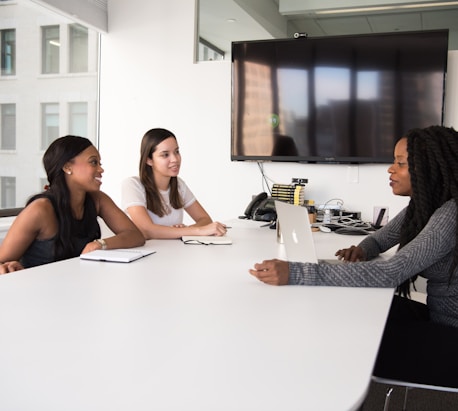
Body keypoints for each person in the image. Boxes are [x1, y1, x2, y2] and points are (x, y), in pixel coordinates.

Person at [249, 125, 458, 388]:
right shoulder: (425, 206)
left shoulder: (450, 214)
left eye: (400, 163)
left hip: (451, 335)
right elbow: (381, 238)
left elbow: (390, 272)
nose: (390, 169)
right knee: (356, 309)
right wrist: (363, 249)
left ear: (429, 169)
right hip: (438, 319)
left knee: (348, 338)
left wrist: (296, 272)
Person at [0, 136, 145, 274]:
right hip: (39, 292)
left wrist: (100, 244)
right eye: (94, 162)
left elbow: (135, 235)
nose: (101, 170)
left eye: (100, 164)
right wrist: (9, 267)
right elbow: (3, 262)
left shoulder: (98, 199)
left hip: (77, 288)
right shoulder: (40, 209)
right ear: (67, 167)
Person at [121, 128, 227, 239]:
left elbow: (205, 219)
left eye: (176, 152)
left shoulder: (179, 185)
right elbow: (147, 230)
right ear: (149, 160)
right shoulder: (132, 185)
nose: (175, 159)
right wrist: (193, 231)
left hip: (174, 252)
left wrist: (185, 231)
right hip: (147, 254)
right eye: (165, 155)